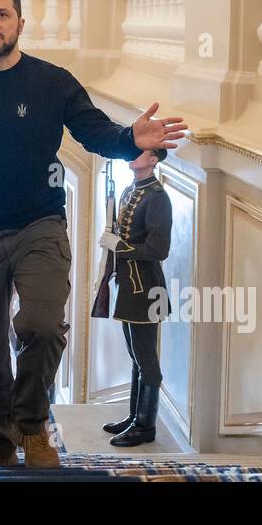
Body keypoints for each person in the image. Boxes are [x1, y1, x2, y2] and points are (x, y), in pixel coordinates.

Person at [0, 0, 187, 468]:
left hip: (39, 225)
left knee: (42, 326)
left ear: (20, 24)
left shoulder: (52, 82)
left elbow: (96, 131)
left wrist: (132, 139)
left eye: (1, 14)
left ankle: (31, 424)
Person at [96, 148, 172, 448]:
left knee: (147, 362)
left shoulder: (157, 198)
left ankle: (145, 427)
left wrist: (120, 246)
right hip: (129, 288)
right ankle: (133, 418)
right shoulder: (130, 189)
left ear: (154, 160)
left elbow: (158, 250)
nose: (134, 156)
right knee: (135, 358)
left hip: (147, 290)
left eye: (141, 153)